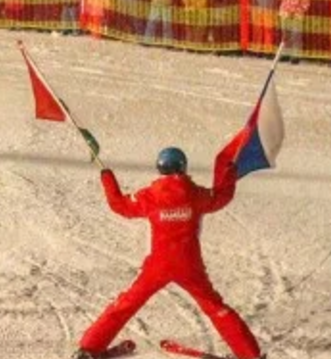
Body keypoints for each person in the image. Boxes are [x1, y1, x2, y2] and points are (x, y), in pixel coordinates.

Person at [76, 147, 261, 359]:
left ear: (159, 168)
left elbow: (119, 205)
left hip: (158, 265)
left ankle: (89, 348)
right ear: (183, 168)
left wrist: (107, 176)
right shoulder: (196, 194)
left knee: (126, 303)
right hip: (189, 265)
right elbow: (222, 197)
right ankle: (249, 354)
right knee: (215, 307)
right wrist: (229, 170)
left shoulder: (150, 196)